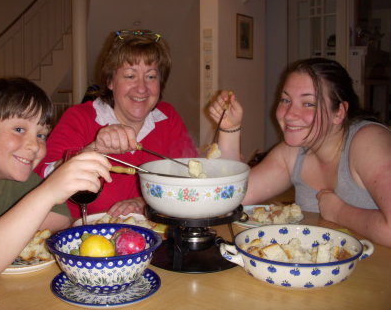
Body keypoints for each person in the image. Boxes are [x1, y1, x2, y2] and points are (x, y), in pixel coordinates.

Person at [0, 78, 112, 286]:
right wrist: (47, 192)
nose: (34, 146)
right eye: (19, 130)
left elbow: (59, 220)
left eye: (41, 135)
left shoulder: (13, 175)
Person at [209, 58, 391, 247]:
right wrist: (229, 129)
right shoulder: (293, 152)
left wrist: (340, 212)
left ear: (339, 112)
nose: (288, 114)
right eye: (286, 100)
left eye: (308, 103)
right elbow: (228, 198)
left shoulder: (369, 140)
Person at [35, 29, 198, 219]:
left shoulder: (168, 117)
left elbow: (189, 179)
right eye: (130, 76)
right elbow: (42, 177)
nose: (142, 88)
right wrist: (93, 150)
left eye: (151, 76)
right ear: (110, 81)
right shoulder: (79, 118)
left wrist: (144, 202)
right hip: (85, 237)